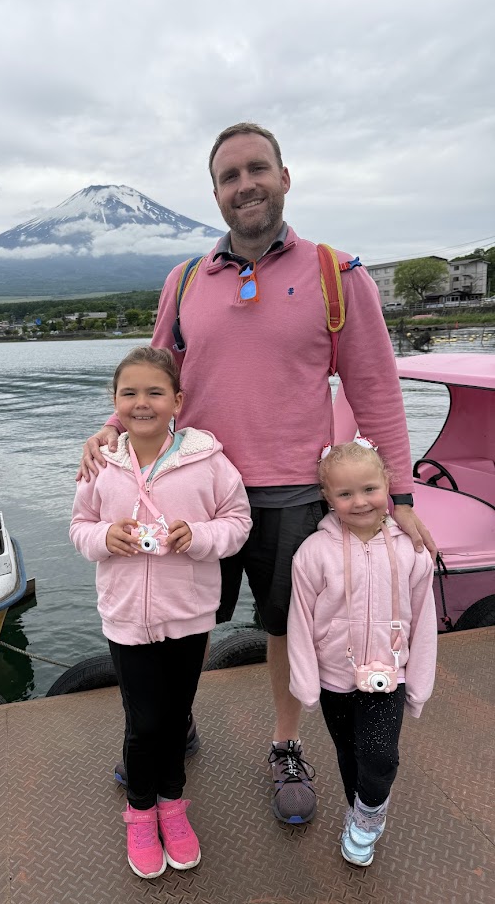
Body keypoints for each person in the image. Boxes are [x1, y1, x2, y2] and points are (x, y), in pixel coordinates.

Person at [77, 122, 436, 826]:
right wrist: (111, 430)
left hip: (290, 492)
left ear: (283, 176)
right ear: (214, 193)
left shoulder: (337, 274)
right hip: (192, 486)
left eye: (255, 169)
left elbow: (375, 389)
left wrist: (398, 496)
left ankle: (284, 742)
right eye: (228, 176)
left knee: (285, 626)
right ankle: (166, 728)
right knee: (180, 621)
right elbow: (156, 377)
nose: (244, 185)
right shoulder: (184, 281)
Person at [70, 346, 251, 879]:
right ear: (114, 401)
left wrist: (198, 537)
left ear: (178, 400)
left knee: (174, 718)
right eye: (130, 393)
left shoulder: (209, 462)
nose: (142, 403)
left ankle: (174, 805)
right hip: (126, 616)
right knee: (143, 720)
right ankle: (140, 811)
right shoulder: (100, 462)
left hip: (189, 613)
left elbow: (237, 521)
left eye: (155, 392)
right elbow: (80, 526)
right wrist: (106, 536)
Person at [288, 441, 436, 866]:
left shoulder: (411, 550)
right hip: (336, 676)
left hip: (390, 674)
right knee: (349, 752)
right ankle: (358, 808)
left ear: (388, 484)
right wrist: (306, 684)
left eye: (369, 489)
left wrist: (420, 684)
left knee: (380, 757)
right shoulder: (313, 554)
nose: (359, 502)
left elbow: (424, 620)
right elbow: (300, 620)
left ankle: (369, 815)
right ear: (326, 497)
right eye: (345, 494)